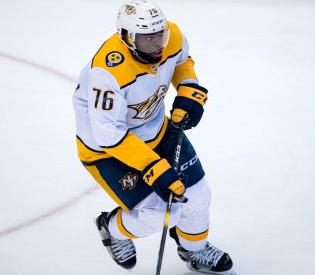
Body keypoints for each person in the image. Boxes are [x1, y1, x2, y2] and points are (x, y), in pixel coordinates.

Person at [72, 0, 235, 274]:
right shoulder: (108, 72)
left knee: (197, 195)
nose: (157, 45)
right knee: (159, 214)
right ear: (126, 37)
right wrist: (152, 167)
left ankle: (194, 250)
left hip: (158, 131)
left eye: (159, 35)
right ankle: (112, 229)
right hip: (108, 152)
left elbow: (182, 61)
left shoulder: (172, 36)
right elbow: (107, 135)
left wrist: (187, 88)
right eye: (147, 39)